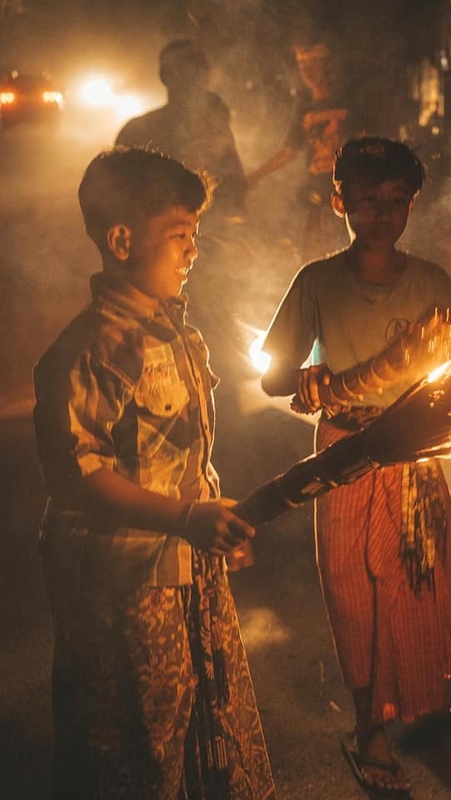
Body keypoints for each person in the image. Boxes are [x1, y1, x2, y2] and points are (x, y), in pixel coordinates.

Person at [32, 147, 276, 800]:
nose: (192, 251)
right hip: (122, 589)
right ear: (120, 240)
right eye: (178, 237)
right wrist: (186, 519)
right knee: (130, 748)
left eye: (194, 236)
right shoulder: (91, 352)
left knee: (204, 725)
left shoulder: (176, 335)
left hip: (185, 570)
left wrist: (215, 516)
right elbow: (81, 478)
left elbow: (184, 451)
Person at [260, 137, 451, 798]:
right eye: (367, 201)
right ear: (341, 203)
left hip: (412, 455)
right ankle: (369, 732)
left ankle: (421, 709)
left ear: (412, 204)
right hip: (344, 454)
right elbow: (274, 375)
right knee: (354, 596)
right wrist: (307, 377)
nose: (382, 214)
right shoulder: (318, 282)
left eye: (395, 201)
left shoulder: (433, 283)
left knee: (418, 585)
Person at [245, 40, 368, 261]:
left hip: (349, 188)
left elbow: (365, 141)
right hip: (316, 189)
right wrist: (254, 177)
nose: (307, 72)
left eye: (313, 65)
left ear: (326, 66)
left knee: (352, 250)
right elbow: (289, 151)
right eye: (303, 67)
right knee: (312, 252)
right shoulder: (305, 109)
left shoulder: (346, 103)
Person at [116, 39, 247, 220]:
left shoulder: (217, 127)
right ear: (166, 76)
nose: (195, 74)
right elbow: (116, 198)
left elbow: (235, 180)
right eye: (185, 67)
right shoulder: (137, 132)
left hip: (213, 232)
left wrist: (236, 223)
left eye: (198, 66)